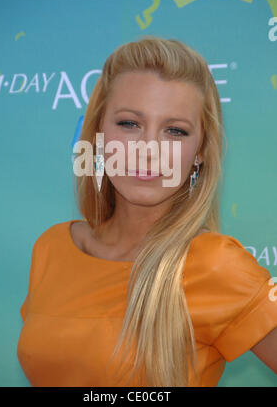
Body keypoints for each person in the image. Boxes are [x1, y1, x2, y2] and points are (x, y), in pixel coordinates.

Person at [17, 36, 277, 387]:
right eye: (129, 124)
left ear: (199, 152)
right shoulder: (51, 248)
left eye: (175, 130)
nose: (148, 150)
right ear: (98, 134)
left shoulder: (214, 264)